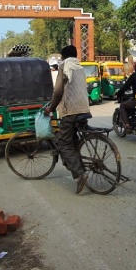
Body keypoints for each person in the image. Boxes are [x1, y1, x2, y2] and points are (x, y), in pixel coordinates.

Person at [43, 45, 91, 194]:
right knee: (72, 142)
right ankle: (77, 165)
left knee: (63, 144)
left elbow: (57, 92)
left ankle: (80, 174)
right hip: (84, 109)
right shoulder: (79, 67)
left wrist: (50, 108)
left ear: (63, 57)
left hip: (70, 111)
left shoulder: (64, 66)